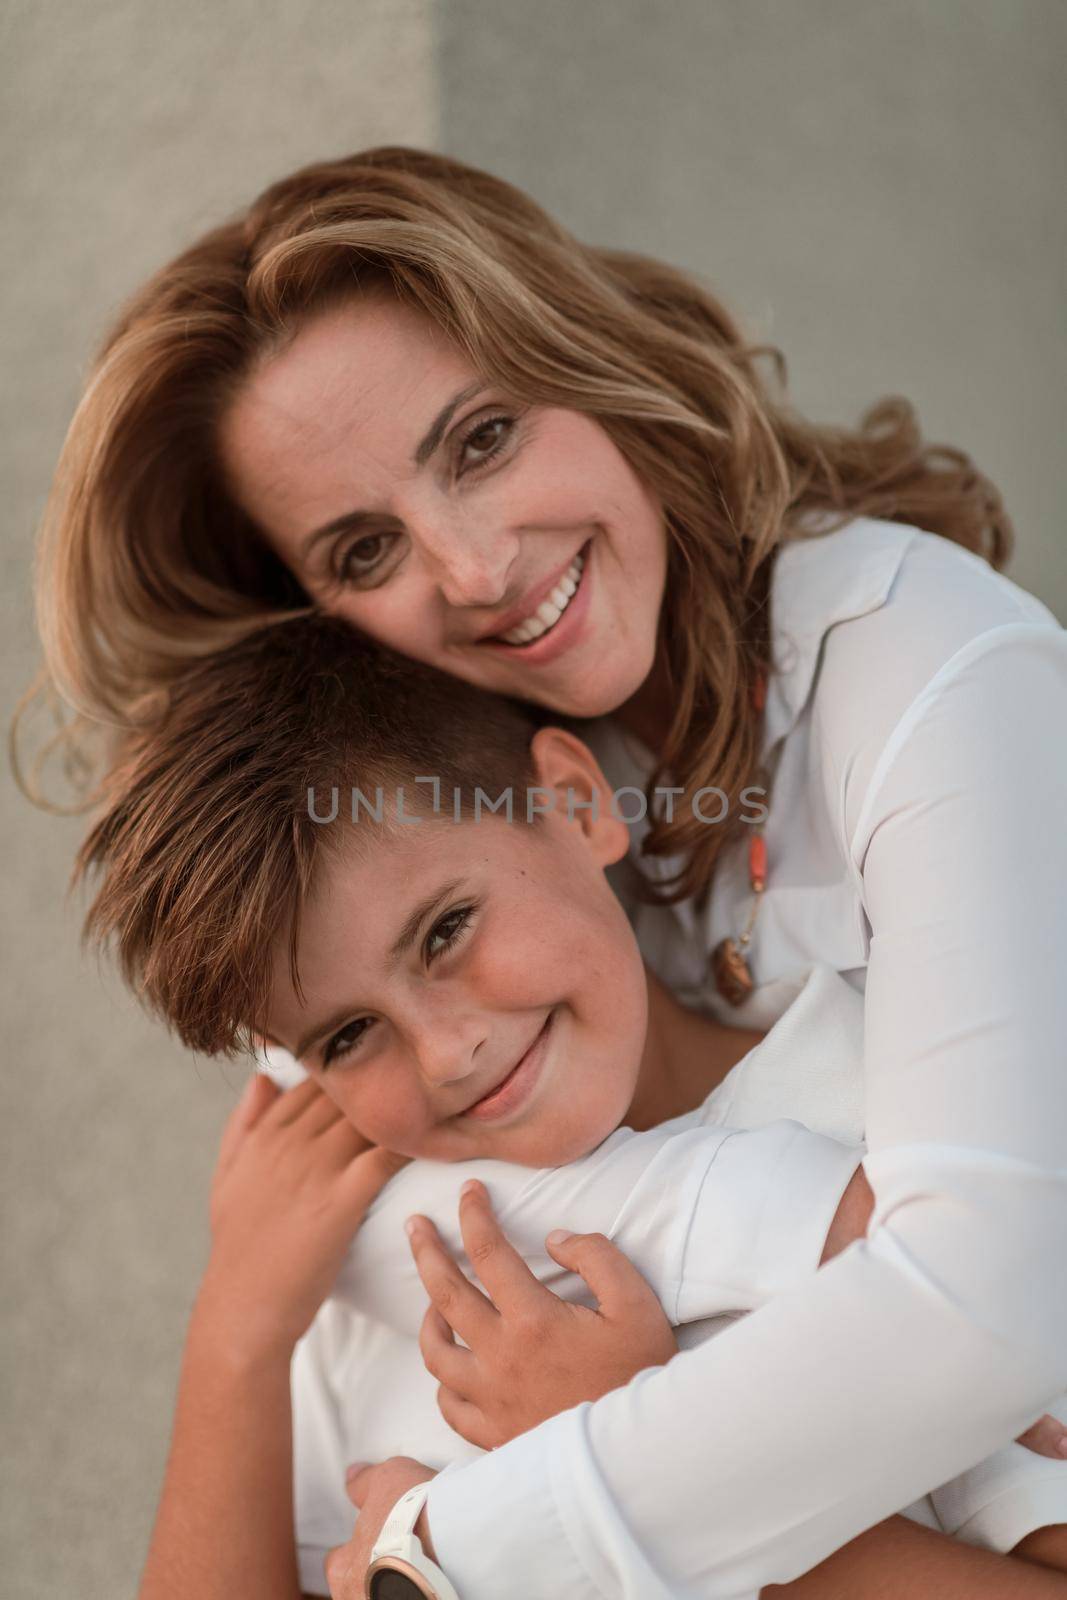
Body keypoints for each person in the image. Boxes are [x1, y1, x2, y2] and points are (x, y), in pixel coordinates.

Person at [22, 146, 1067, 1595]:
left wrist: (470, 1538)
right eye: (364, 545)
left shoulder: (924, 674)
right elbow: (324, 1206)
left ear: (586, 365)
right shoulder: (427, 817)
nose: (469, 569)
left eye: (481, 438)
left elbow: (989, 1309)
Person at [74, 615, 1067, 1599]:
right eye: (344, 1036)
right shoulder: (378, 1254)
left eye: (444, 930)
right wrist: (235, 1339)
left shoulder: (910, 1143)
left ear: (576, 801)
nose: (444, 1050)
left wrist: (631, 1455)